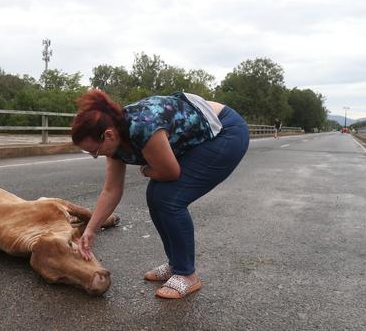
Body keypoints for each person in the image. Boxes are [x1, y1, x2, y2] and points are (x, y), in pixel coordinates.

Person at [70, 90, 249, 299]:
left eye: (94, 150)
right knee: (155, 195)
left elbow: (170, 172)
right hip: (203, 130)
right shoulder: (114, 139)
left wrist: (147, 170)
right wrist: (91, 229)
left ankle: (187, 274)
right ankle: (176, 265)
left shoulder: (142, 127)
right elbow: (111, 190)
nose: (95, 156)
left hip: (226, 132)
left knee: (168, 198)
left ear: (108, 135)